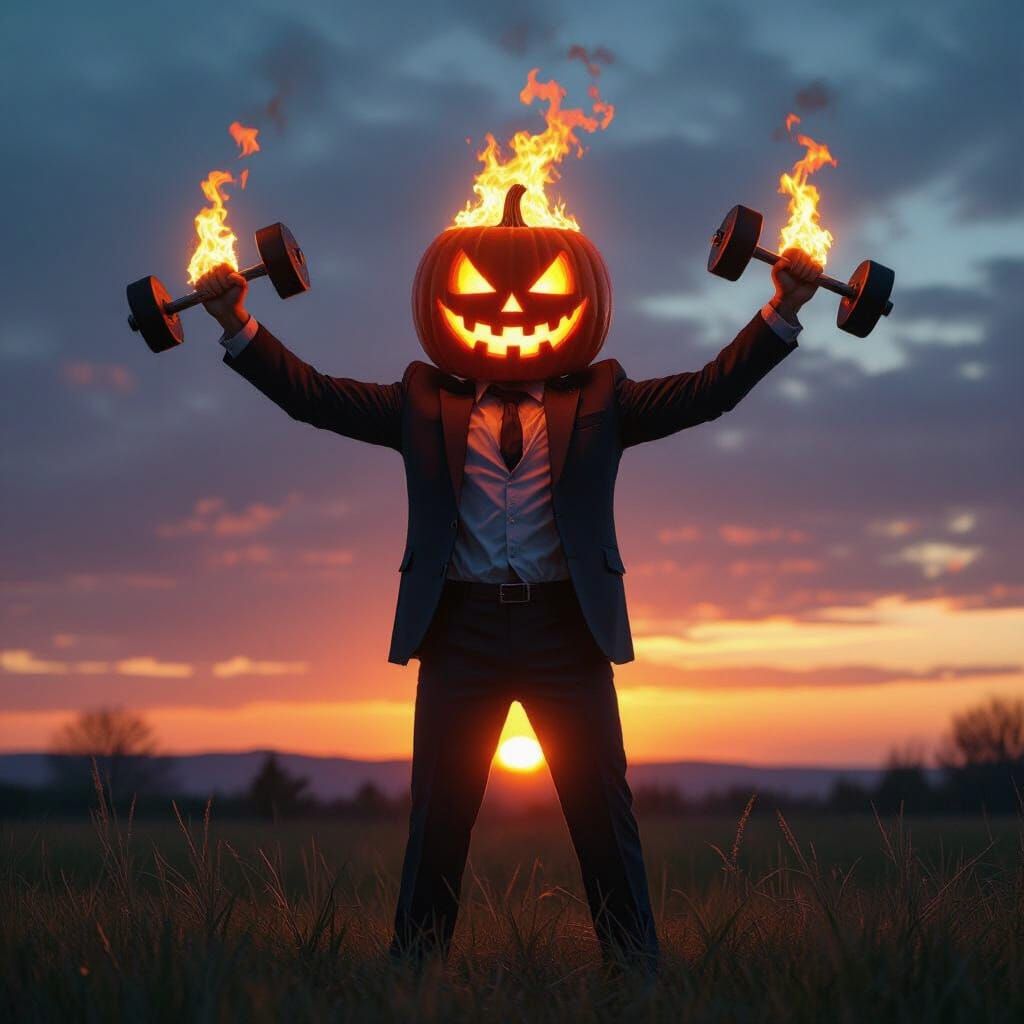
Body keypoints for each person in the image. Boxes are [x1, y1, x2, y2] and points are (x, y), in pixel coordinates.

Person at [195, 208, 821, 972]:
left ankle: (637, 976)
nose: (514, 311)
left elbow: (707, 392)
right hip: (462, 634)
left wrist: (781, 310)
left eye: (544, 289)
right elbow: (314, 398)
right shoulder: (421, 401)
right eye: (481, 291)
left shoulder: (603, 396)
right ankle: (413, 977)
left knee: (602, 817)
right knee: (439, 821)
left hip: (568, 632)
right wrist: (238, 325)